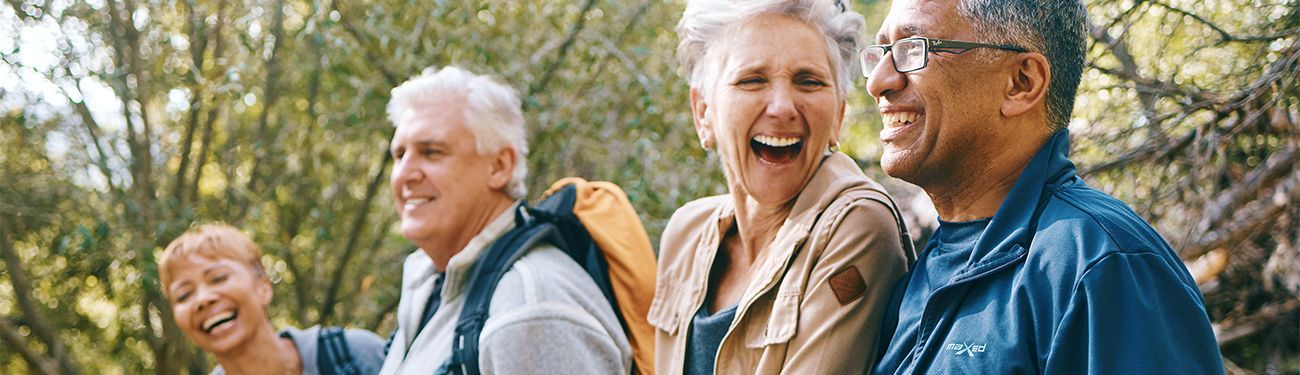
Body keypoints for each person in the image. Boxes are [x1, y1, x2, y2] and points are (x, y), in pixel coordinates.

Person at [862, 0, 1225, 373]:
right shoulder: (928, 267)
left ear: (1022, 83)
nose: (878, 82)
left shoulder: (1103, 266)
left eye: (913, 48)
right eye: (883, 52)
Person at [650, 1, 915, 374]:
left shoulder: (856, 225)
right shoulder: (686, 233)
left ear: (839, 115)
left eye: (809, 81)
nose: (782, 107)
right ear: (703, 113)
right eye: (752, 80)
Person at [378, 66, 631, 374]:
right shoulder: (428, 279)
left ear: (500, 166)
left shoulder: (530, 310)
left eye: (431, 152)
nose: (405, 173)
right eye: (399, 155)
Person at [159, 224, 386, 375]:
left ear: (263, 287)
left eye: (218, 278)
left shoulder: (355, 355)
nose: (203, 299)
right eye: (184, 295)